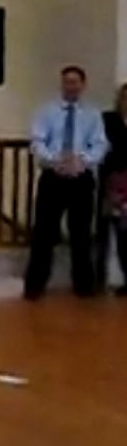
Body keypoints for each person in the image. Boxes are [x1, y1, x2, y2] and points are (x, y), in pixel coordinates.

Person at [24, 66, 108, 300]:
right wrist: (54, 160)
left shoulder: (92, 115)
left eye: (75, 82)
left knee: (81, 233)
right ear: (61, 84)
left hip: (81, 178)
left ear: (83, 85)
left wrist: (83, 161)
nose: (71, 86)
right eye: (67, 82)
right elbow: (37, 141)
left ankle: (84, 285)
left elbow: (100, 144)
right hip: (53, 177)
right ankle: (35, 285)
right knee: (44, 232)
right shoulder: (47, 111)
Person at [97, 82, 127, 295]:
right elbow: (102, 147)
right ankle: (100, 278)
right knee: (109, 232)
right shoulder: (107, 120)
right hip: (112, 181)